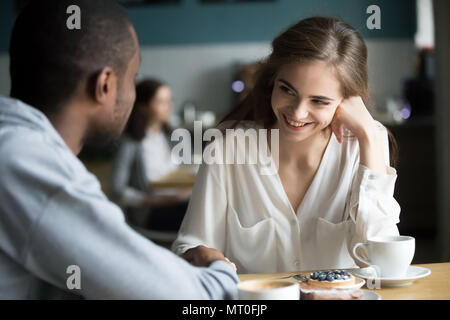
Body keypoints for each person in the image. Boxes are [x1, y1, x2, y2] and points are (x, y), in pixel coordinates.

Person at [0, 0, 237, 299]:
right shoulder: (26, 163)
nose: (133, 94)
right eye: (132, 77)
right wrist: (221, 268)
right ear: (105, 84)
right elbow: (190, 299)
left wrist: (149, 268)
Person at [172, 16, 401, 274]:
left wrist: (369, 135)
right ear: (273, 80)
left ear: (347, 101)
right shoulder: (228, 149)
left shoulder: (364, 144)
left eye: (319, 101)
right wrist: (203, 256)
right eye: (287, 90)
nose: (298, 113)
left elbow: (383, 264)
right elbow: (191, 246)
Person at [111, 79, 190, 231]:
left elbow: (184, 172)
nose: (169, 107)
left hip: (179, 203)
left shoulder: (171, 137)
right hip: (151, 212)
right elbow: (117, 190)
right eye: (161, 102)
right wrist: (156, 201)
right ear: (143, 107)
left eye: (169, 101)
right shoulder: (130, 143)